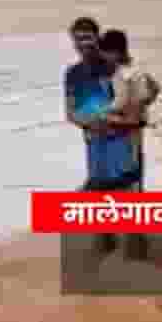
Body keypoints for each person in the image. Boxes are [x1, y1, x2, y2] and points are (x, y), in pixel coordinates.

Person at [98, 29, 160, 261]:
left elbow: (120, 102)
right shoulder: (138, 71)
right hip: (134, 134)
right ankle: (136, 240)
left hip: (122, 136)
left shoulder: (120, 75)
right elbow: (154, 90)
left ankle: (134, 245)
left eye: (105, 52)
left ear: (115, 51)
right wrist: (141, 111)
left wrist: (103, 113)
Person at [63, 17, 120, 254]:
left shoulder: (113, 67)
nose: (84, 43)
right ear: (73, 42)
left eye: (89, 37)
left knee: (125, 188)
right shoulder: (72, 73)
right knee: (100, 188)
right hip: (93, 137)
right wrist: (89, 123)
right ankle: (105, 239)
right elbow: (70, 111)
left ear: (98, 38)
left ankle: (132, 243)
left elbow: (131, 99)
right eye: (79, 38)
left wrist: (116, 121)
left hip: (122, 135)